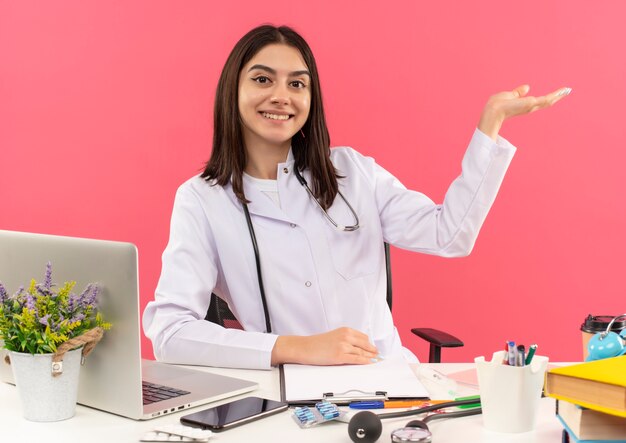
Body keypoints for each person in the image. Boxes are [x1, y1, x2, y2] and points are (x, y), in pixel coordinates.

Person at [143, 24, 570, 370]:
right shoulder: (202, 199)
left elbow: (450, 235)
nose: (281, 96)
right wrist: (296, 348)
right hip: (283, 393)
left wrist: (489, 127)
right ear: (231, 91)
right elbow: (170, 332)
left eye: (297, 83)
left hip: (384, 381)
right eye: (262, 79)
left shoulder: (353, 173)